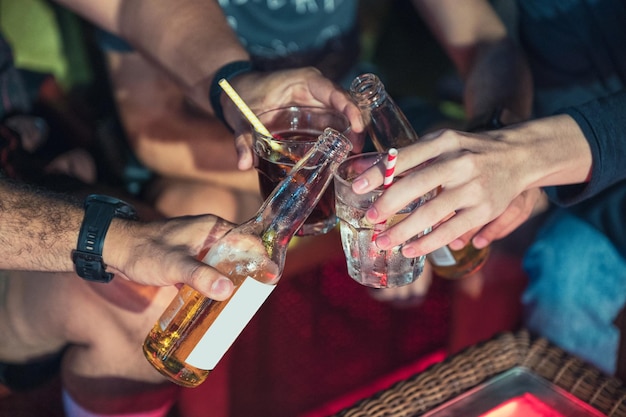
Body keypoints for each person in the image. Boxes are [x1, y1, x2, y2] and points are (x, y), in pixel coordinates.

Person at [353, 0, 626, 375]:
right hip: (580, 192)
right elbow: (483, 39)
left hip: (561, 165)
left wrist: (521, 155)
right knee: (563, 274)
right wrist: (493, 131)